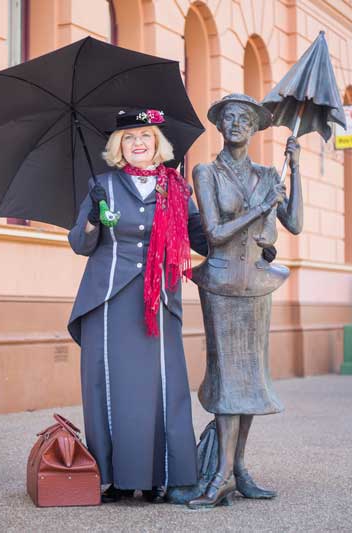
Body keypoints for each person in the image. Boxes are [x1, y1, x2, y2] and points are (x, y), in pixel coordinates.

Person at [67, 109, 208, 503]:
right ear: (118, 147)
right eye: (129, 138)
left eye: (145, 136)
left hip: (160, 298)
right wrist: (94, 216)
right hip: (108, 299)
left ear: (158, 143)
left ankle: (164, 476)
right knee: (110, 389)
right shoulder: (104, 186)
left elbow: (201, 237)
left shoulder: (176, 189)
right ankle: (114, 477)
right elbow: (81, 244)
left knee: (164, 386)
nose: (138, 144)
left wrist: (244, 233)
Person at [187, 94, 303, 509]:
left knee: (251, 380)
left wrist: (297, 170)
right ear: (220, 126)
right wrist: (257, 208)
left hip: (257, 284)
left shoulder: (268, 174)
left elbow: (295, 223)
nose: (236, 123)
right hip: (220, 285)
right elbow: (215, 233)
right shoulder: (206, 171)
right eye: (229, 117)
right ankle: (219, 475)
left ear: (255, 128)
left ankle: (237, 470)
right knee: (225, 379)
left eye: (245, 118)